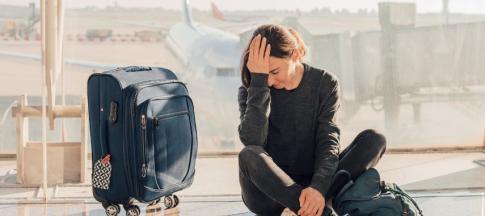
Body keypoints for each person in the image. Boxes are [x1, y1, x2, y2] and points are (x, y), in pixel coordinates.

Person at [237, 24, 387, 216]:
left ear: (295, 55)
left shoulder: (325, 83)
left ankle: (306, 206)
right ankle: (314, 210)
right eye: (263, 75)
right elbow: (253, 141)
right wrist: (258, 83)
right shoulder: (254, 89)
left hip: (316, 184)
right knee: (248, 154)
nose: (270, 82)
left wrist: (318, 188)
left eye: (274, 71)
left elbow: (328, 140)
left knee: (374, 140)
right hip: (270, 195)